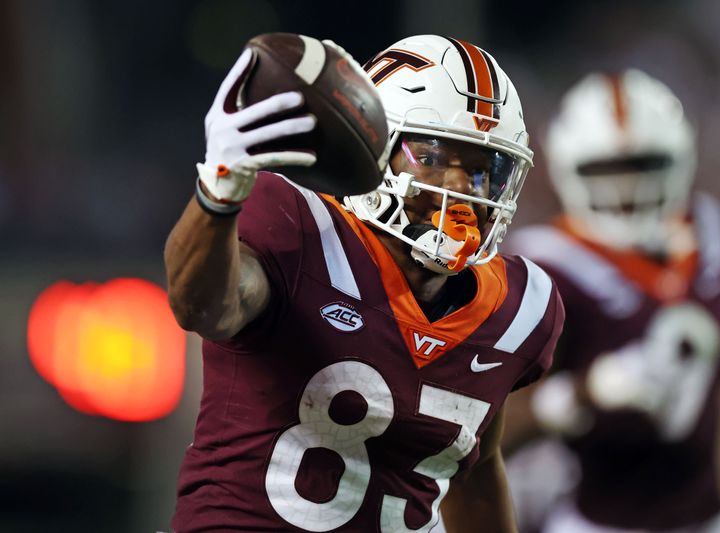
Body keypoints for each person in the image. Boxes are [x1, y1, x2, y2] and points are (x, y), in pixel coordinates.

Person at [164, 34, 563, 533]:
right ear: (375, 150)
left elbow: (475, 464)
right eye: (434, 157)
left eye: (483, 171)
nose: (462, 187)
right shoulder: (300, 230)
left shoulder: (516, 308)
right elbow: (203, 309)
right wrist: (218, 189)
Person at [502, 70, 720, 533]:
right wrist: (582, 394)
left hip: (713, 514)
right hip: (600, 518)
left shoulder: (712, 231)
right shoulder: (543, 267)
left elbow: (717, 335)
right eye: (607, 170)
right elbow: (489, 423)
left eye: (644, 166)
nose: (627, 189)